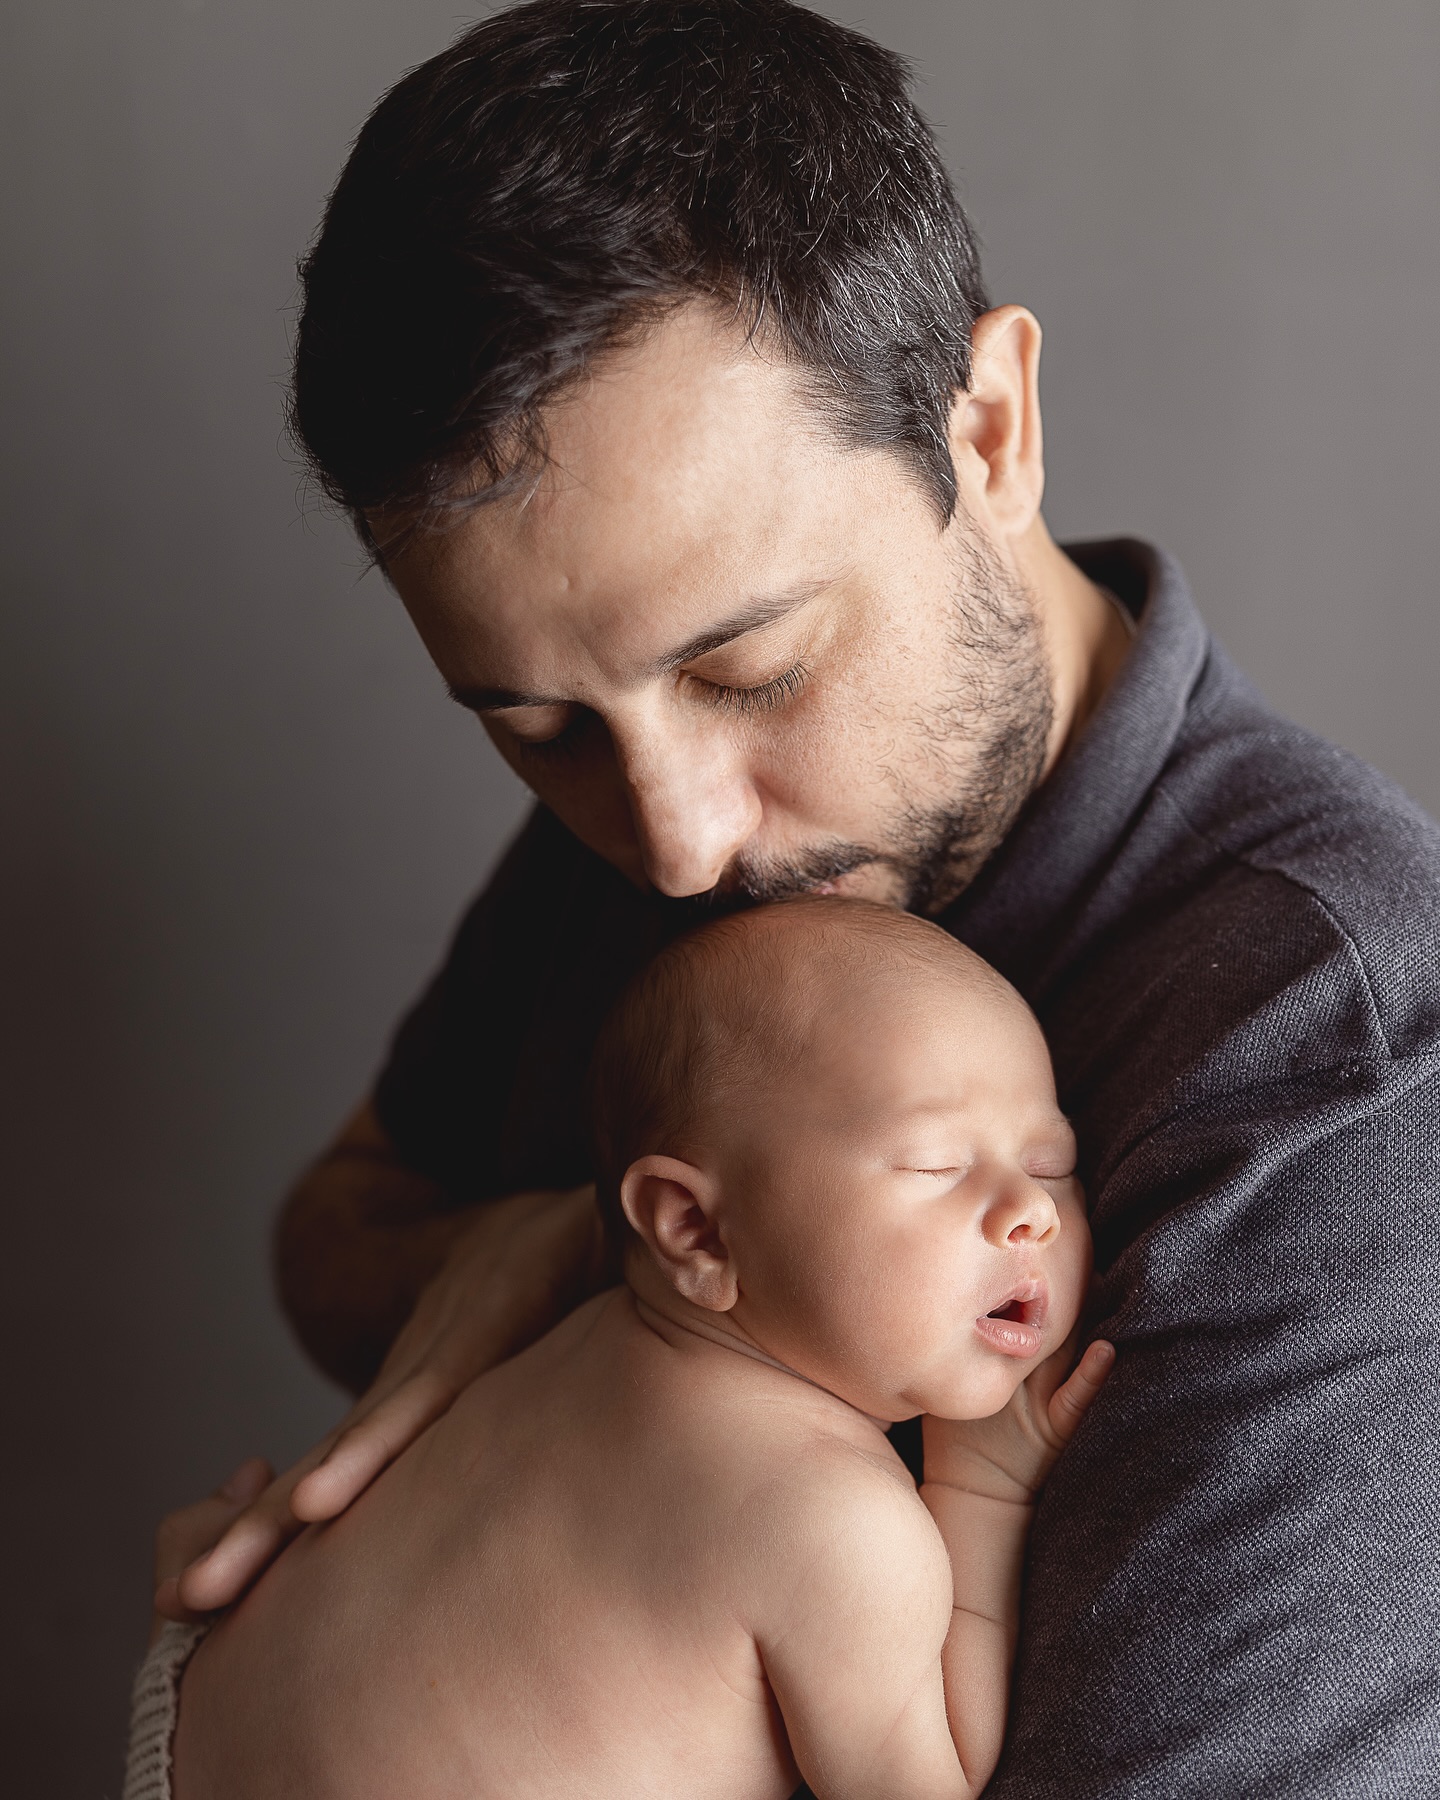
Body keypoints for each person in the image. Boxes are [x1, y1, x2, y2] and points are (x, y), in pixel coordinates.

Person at [152, 2, 1440, 1793]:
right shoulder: (673, 808)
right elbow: (342, 1222)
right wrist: (543, 1253)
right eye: (535, 731)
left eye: (750, 667)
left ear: (988, 429)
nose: (679, 852)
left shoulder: (1333, 1074)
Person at [137, 901, 1112, 1799]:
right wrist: (986, 1488)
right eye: (938, 1164)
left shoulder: (568, 1341)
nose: (1030, 1211)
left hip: (202, 1722)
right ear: (696, 1230)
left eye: (1051, 1163)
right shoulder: (842, 1526)